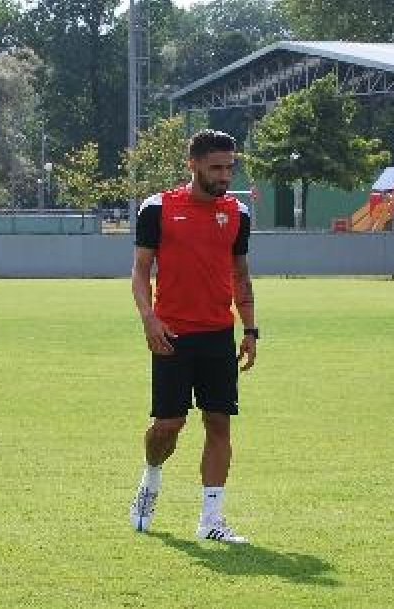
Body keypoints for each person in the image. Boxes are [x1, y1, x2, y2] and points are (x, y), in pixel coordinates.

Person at [128, 129, 258, 544]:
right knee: (169, 425)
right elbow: (140, 270)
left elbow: (240, 274)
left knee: (219, 423)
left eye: (229, 167)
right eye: (216, 168)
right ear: (194, 165)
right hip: (172, 335)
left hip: (219, 335)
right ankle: (150, 478)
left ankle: (211, 519)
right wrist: (149, 319)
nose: (224, 176)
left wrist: (250, 328)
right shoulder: (157, 208)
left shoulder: (238, 213)